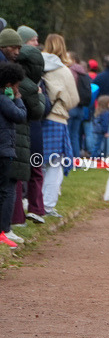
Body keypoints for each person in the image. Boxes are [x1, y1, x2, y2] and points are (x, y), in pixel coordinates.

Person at [40, 35, 80, 217]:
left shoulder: (37, 67)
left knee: (37, 164)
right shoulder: (64, 71)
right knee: (54, 166)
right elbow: (74, 100)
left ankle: (33, 204)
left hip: (37, 118)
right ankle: (47, 205)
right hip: (56, 119)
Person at [12, 42, 46, 225]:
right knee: (35, 168)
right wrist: (40, 95)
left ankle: (22, 213)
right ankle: (36, 208)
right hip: (30, 133)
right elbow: (40, 110)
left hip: (21, 135)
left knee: (18, 175)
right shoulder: (31, 86)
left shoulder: (13, 81)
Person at [0, 62, 27, 248]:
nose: (18, 88)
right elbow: (20, 115)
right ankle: (4, 230)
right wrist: (18, 98)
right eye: (16, 85)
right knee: (7, 191)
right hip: (4, 150)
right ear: (9, 85)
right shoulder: (4, 100)